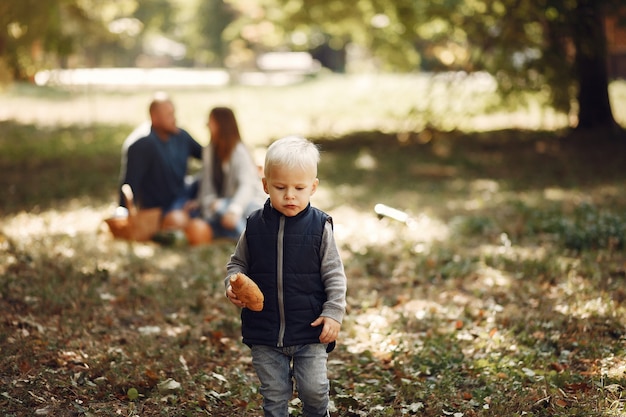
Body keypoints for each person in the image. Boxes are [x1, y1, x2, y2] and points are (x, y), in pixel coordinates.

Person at [224, 136, 347, 417]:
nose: (290, 195)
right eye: (280, 187)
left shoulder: (319, 227)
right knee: (274, 396)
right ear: (266, 185)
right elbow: (237, 265)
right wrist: (232, 286)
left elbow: (335, 275)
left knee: (314, 391)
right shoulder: (255, 226)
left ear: (313, 187)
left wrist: (334, 312)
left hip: (309, 330)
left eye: (299, 188)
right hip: (265, 332)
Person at [119, 92, 203, 215]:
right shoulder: (142, 144)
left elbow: (206, 155)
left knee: (206, 177)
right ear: (154, 117)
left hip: (184, 194)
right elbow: (130, 185)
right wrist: (124, 213)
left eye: (173, 113)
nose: (174, 119)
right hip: (162, 209)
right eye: (169, 115)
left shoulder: (181, 136)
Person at [197, 106, 266, 239]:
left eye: (211, 122)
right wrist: (205, 201)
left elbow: (247, 186)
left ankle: (249, 238)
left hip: (244, 204)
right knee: (210, 213)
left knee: (224, 211)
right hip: (220, 204)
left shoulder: (239, 152)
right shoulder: (210, 151)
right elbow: (206, 182)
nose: (207, 125)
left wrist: (234, 209)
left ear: (221, 125)